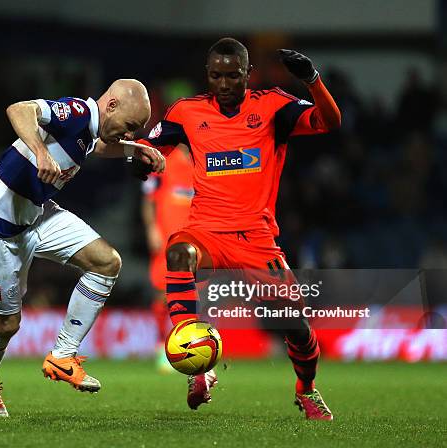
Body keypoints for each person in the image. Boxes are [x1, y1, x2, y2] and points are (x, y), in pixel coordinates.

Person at [98, 39, 341, 420]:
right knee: (178, 254)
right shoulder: (187, 112)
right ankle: (197, 358)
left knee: (296, 327)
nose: (224, 83)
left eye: (232, 75)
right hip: (206, 231)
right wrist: (138, 159)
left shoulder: (273, 106)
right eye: (216, 75)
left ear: (248, 75)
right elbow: (148, 146)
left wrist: (312, 80)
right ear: (207, 75)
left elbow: (330, 121)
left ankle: (306, 389)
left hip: (257, 240)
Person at [0, 79, 164, 417]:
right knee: (7, 325)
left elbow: (96, 148)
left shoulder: (90, 132)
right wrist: (40, 151)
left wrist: (136, 149)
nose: (129, 134)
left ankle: (62, 355)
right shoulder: (76, 112)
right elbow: (19, 109)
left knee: (107, 262)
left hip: (37, 215)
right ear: (111, 105)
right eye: (130, 128)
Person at [140, 147, 194, 372]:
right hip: (167, 239)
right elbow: (148, 198)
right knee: (164, 293)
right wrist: (152, 228)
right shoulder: (164, 160)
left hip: (192, 241)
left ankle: (190, 345)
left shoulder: (201, 161)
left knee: (192, 294)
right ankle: (162, 346)